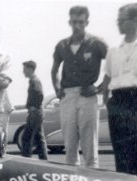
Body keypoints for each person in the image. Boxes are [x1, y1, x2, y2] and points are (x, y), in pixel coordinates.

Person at [51, 6, 107, 168]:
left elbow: (112, 64)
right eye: (74, 22)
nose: (77, 26)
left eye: (81, 22)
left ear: (86, 22)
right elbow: (54, 69)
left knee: (90, 147)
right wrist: (57, 89)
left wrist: (99, 87)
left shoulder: (96, 43)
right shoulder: (62, 45)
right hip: (67, 96)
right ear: (69, 22)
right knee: (70, 146)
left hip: (87, 95)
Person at [103, 3, 137, 176]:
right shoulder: (113, 50)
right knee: (121, 153)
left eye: (121, 20)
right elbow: (107, 77)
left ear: (134, 20)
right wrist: (106, 101)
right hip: (117, 102)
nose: (118, 24)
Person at [21, 60, 48, 160]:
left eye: (25, 69)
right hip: (38, 112)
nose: (23, 72)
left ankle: (26, 159)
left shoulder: (34, 81)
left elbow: (39, 94)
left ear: (30, 69)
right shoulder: (34, 80)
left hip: (35, 113)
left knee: (27, 137)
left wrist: (33, 106)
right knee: (39, 137)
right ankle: (44, 159)